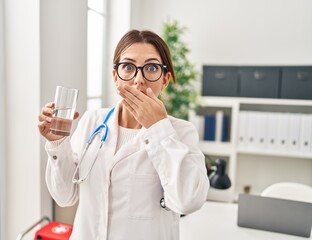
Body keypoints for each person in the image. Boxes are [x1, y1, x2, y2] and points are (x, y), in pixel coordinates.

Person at [38, 29, 209, 240]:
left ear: (165, 80)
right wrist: (57, 144)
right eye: (128, 67)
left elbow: (188, 201)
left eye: (152, 68)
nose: (138, 80)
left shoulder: (181, 133)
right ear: (115, 77)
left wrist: (158, 128)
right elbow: (64, 197)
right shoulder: (93, 121)